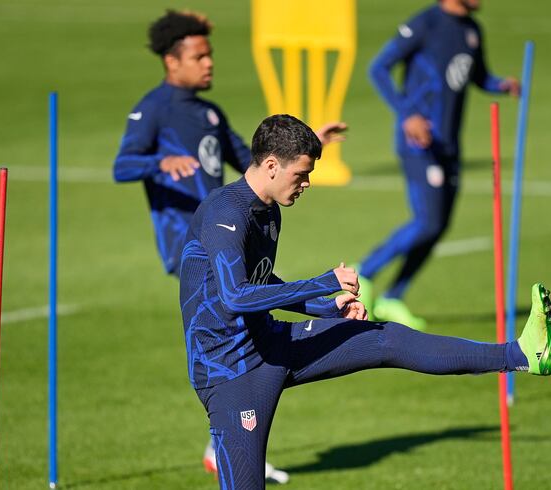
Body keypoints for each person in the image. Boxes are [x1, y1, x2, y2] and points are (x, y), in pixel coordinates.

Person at [179, 114, 551, 490]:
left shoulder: (269, 211)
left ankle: (521, 354)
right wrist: (323, 283)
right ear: (272, 166)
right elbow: (236, 294)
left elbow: (261, 280)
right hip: (230, 372)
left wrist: (329, 308)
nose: (307, 183)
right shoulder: (225, 211)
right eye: (302, 174)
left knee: (383, 338)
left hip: (271, 342)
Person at [112, 10, 346, 483]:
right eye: (199, 56)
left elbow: (254, 162)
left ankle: (233, 439)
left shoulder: (211, 113)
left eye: (210, 53)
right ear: (172, 61)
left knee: (250, 320)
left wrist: (307, 146)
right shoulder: (154, 107)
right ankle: (232, 435)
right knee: (239, 319)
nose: (209, 63)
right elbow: (122, 165)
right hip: (192, 242)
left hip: (230, 237)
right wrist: (162, 161)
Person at [356, 0, 520, 330]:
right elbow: (378, 68)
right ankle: (364, 274)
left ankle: (392, 297)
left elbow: (477, 76)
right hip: (420, 144)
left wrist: (501, 85)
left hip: (449, 146)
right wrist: (408, 114)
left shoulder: (472, 29)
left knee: (439, 225)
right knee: (427, 222)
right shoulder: (426, 23)